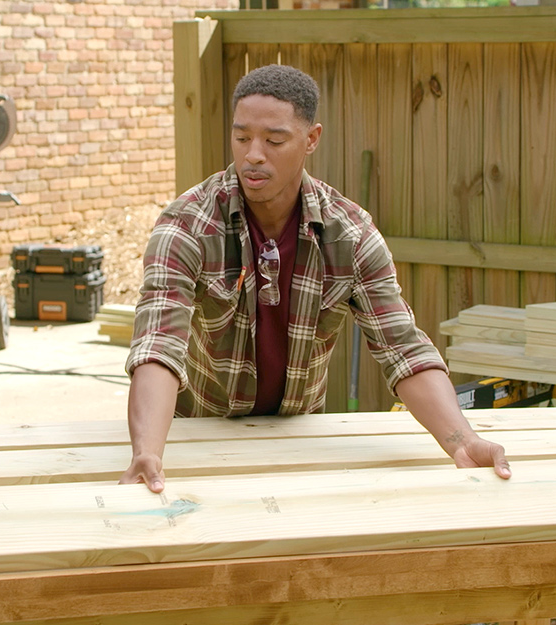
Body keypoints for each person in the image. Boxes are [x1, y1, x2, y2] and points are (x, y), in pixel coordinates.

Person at [120, 64, 510, 493]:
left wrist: (462, 440)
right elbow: (159, 344)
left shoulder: (350, 234)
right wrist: (148, 451)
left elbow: (404, 348)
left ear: (311, 139)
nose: (253, 154)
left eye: (274, 140)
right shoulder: (187, 225)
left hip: (300, 433)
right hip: (202, 433)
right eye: (242, 136)